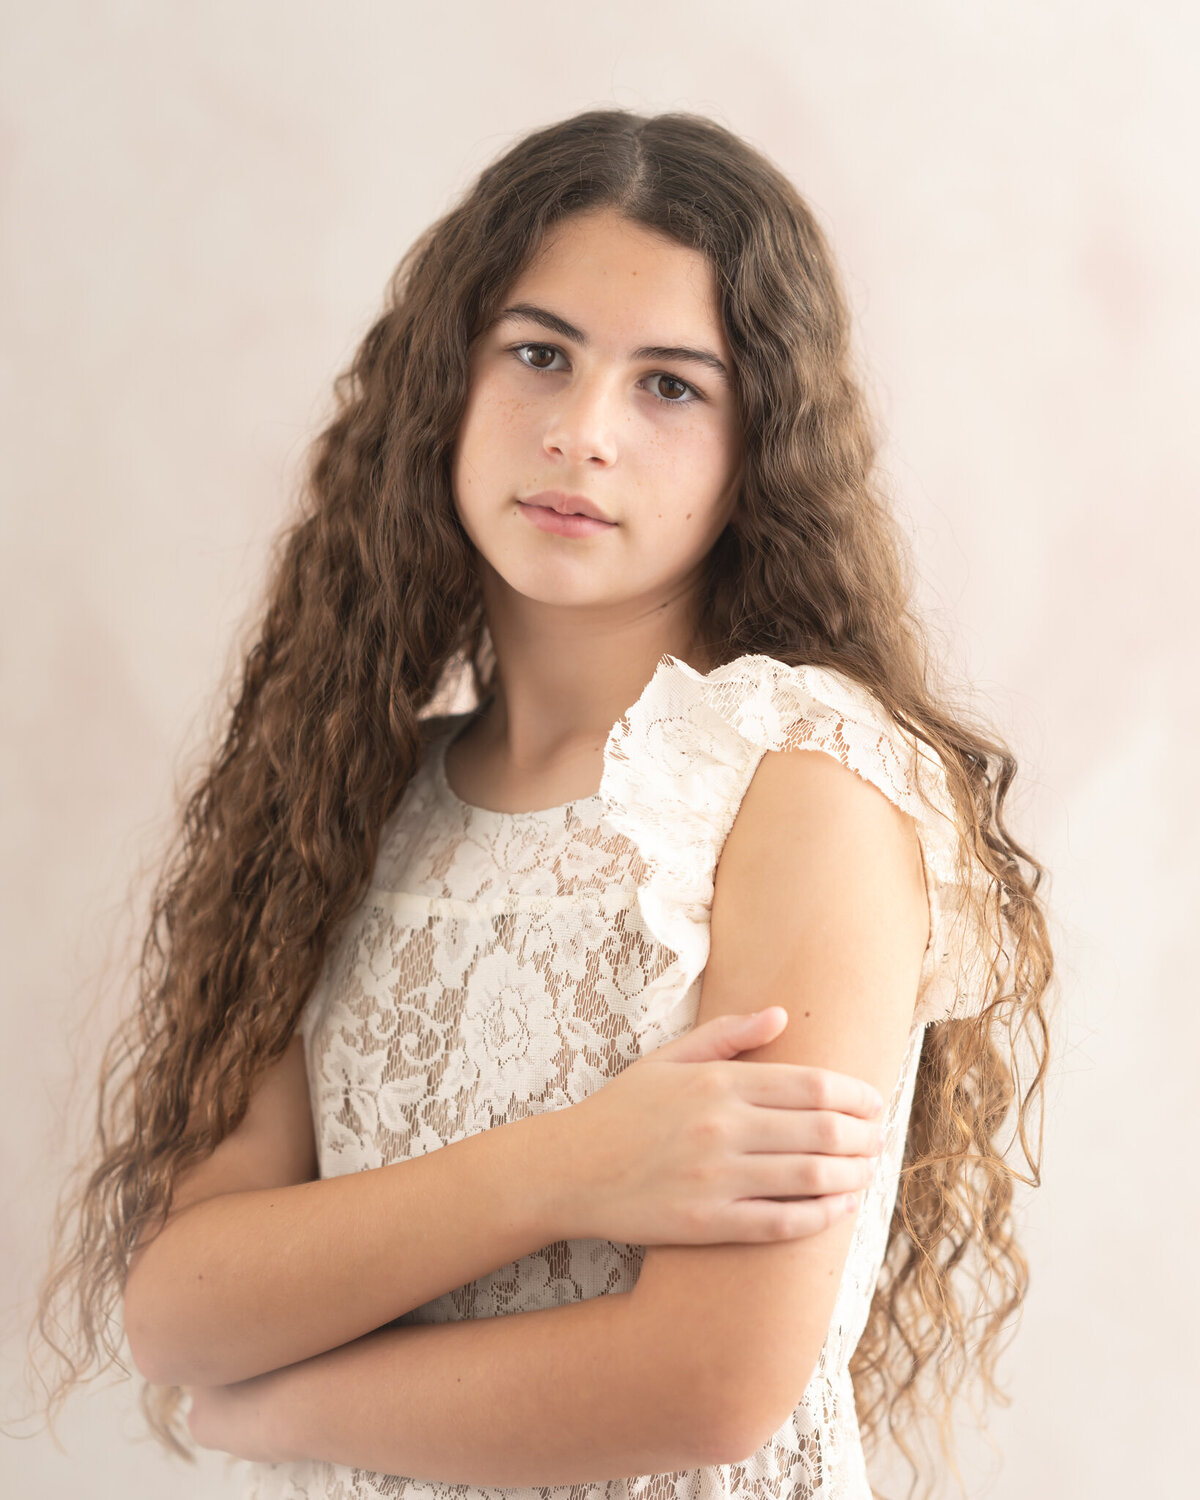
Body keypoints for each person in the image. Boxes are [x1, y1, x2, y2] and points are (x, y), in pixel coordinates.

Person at [32, 109, 1053, 1500]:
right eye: (540, 354)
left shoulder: (806, 782)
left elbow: (707, 1386)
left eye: (671, 387)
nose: (583, 433)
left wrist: (274, 1411)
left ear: (760, 447)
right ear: (445, 382)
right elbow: (183, 1307)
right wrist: (578, 1166)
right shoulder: (350, 800)